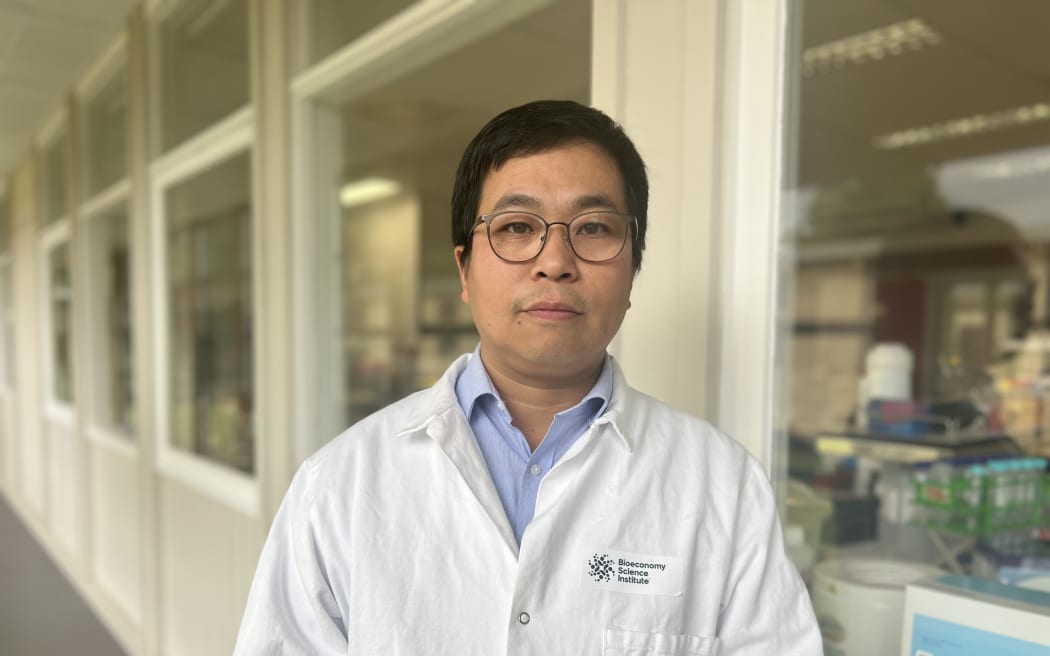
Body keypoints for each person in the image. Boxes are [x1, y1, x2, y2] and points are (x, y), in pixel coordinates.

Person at [234, 100, 821, 655]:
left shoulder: (724, 486)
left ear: (632, 271)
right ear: (464, 269)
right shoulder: (337, 485)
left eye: (593, 228)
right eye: (517, 227)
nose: (555, 261)